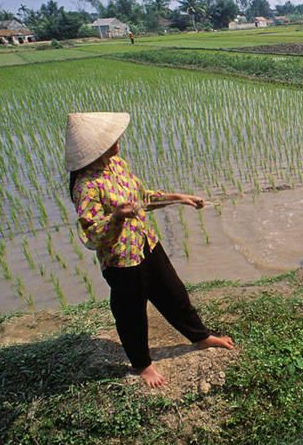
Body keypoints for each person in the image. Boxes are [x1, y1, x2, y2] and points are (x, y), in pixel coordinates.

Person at [65, 111, 234, 388]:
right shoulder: (86, 186)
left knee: (174, 292)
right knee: (131, 313)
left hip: (146, 242)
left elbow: (143, 198)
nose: (117, 141)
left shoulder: (117, 165)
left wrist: (179, 198)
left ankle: (201, 337)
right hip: (121, 259)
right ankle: (142, 364)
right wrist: (116, 217)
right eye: (111, 139)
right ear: (97, 148)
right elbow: (92, 234)